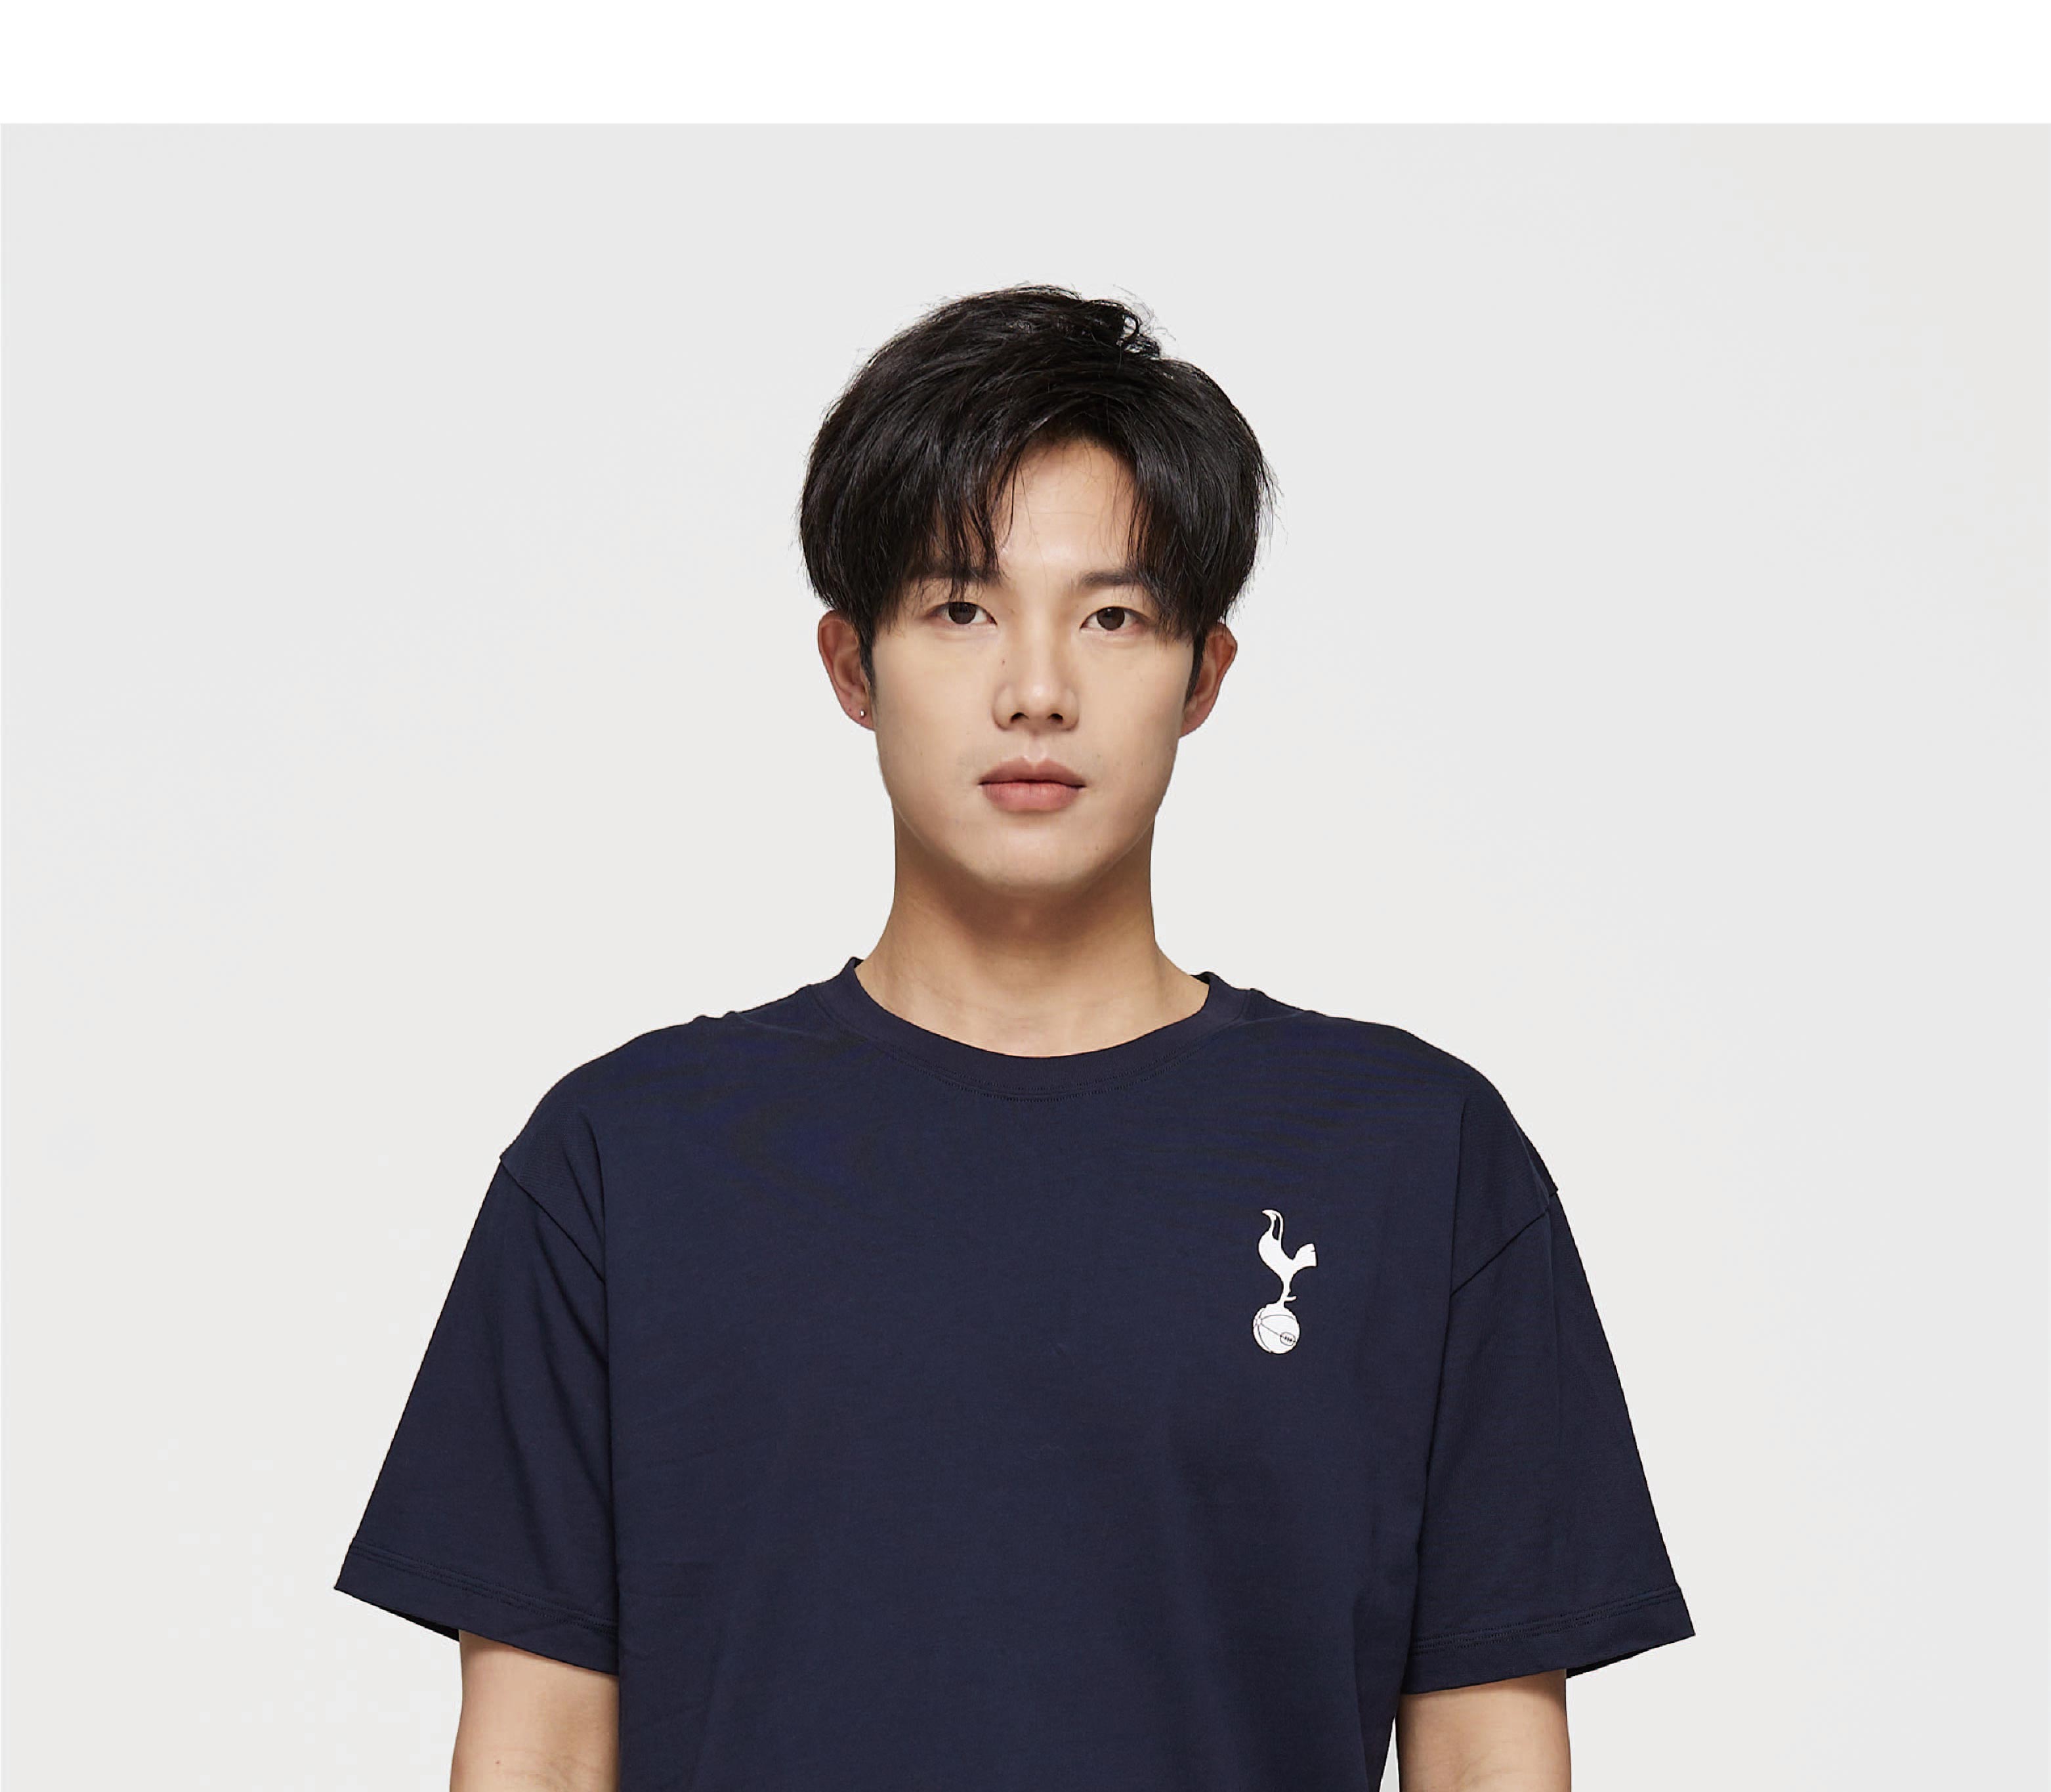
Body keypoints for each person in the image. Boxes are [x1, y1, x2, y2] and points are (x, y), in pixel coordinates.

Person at [335, 284, 1694, 1791]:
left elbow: (1490, 1750)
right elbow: (533, 1754)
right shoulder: (626, 1161)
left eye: (1113, 618)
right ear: (851, 666)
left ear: (1204, 676)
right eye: (960, 610)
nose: (1037, 691)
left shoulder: (1416, 1161)